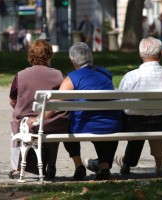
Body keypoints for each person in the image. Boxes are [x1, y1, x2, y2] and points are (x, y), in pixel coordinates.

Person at [28, 42, 122, 180]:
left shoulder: (72, 77)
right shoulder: (105, 74)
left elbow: (55, 104)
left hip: (84, 127)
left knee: (67, 123)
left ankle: (79, 166)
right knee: (103, 121)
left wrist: (37, 119)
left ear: (73, 62)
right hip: (112, 125)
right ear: (91, 58)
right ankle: (104, 167)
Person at [115, 37, 162, 177]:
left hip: (133, 124)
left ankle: (127, 163)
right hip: (161, 123)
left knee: (138, 119)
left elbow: (121, 100)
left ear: (140, 55)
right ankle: (160, 164)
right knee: (154, 117)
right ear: (161, 54)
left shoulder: (131, 76)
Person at [9, 39, 69, 180]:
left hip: (30, 125)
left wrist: (20, 109)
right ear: (49, 55)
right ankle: (51, 166)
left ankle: (17, 168)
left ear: (31, 56)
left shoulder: (21, 75)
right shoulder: (58, 75)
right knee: (52, 123)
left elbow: (12, 100)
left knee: (16, 121)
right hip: (53, 122)